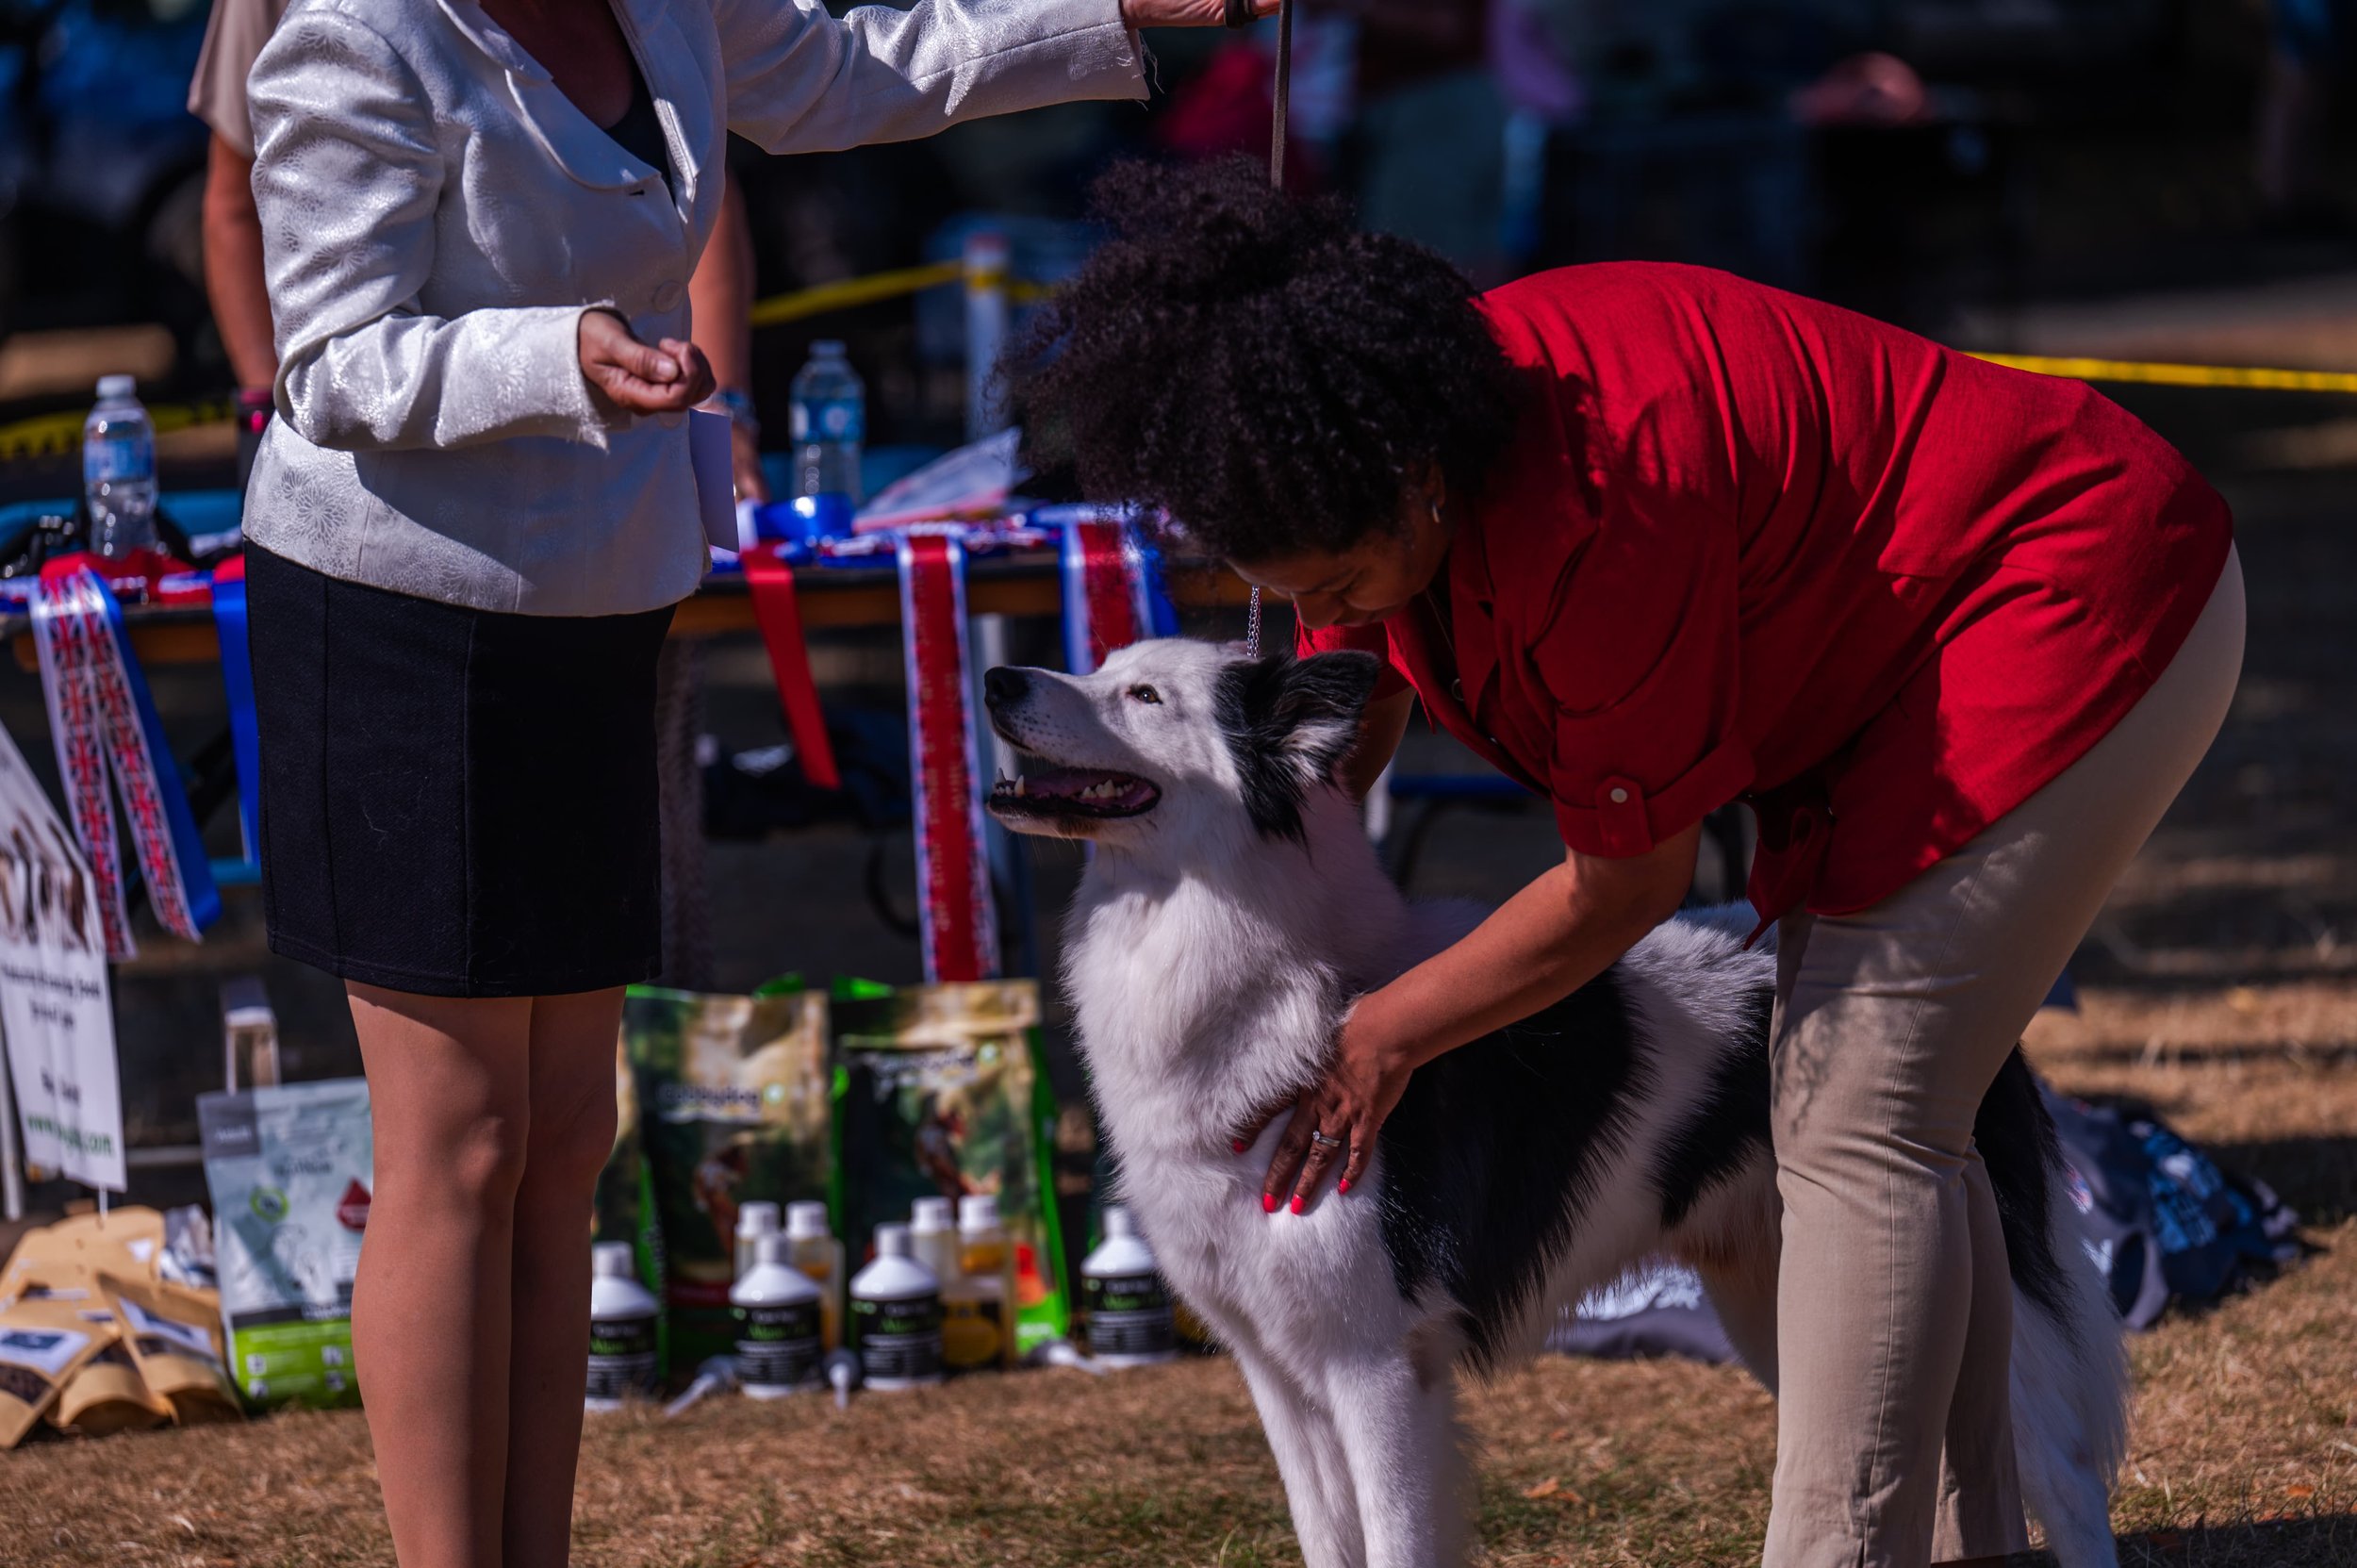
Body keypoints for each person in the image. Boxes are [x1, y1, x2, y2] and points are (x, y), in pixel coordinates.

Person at [1012, 157, 2242, 1568]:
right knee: (1890, 1105)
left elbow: (1626, 884)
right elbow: (1372, 676)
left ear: (1414, 486)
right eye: (1283, 589)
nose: (1317, 618)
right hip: (1889, 666)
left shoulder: (1600, 508)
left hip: (2068, 595)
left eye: (1336, 577)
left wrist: (1382, 1033)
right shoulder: (1402, 443)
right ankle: (1984, 1541)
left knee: (1855, 1111)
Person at [239, 4, 1261, 1564]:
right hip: (399, 619)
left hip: (592, 602)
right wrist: (559, 350)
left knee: (566, 1127)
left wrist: (1112, 15)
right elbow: (328, 362)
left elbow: (870, 64)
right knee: (459, 1137)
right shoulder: (357, 41)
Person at [193, 0, 768, 500]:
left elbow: (680, 186)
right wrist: (275, 432)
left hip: (628, 533)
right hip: (405, 556)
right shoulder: (332, 29)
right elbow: (237, 212)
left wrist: (721, 419)